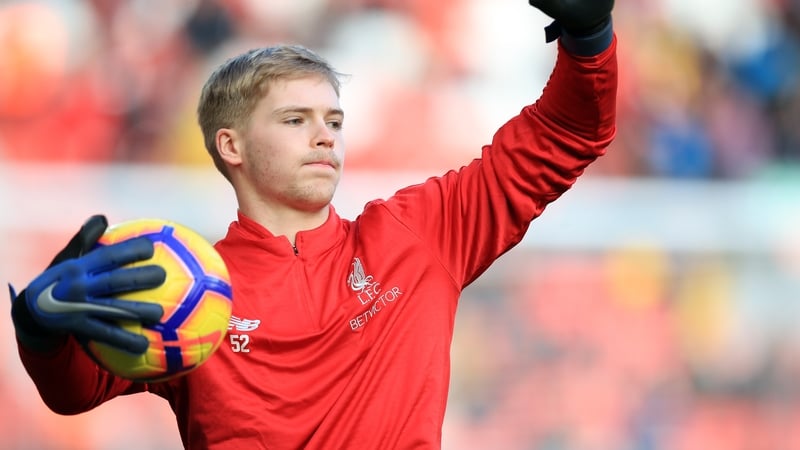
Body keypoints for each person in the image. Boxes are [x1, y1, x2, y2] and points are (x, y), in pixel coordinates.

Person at [9, 1, 617, 448]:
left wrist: (589, 39)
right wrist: (41, 333)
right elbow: (73, 395)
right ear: (232, 145)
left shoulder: (417, 236)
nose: (325, 134)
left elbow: (569, 133)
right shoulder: (182, 283)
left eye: (333, 119)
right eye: (295, 119)